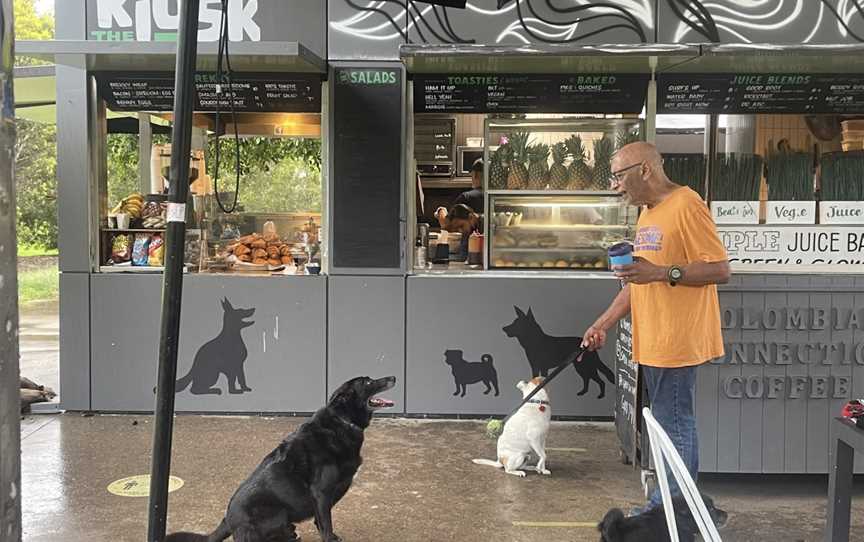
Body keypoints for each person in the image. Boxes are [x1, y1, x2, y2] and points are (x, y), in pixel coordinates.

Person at [581, 142, 731, 517]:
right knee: (668, 425)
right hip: (654, 340)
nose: (616, 186)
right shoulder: (647, 215)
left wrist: (663, 272)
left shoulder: (687, 204)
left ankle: (672, 511)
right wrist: (602, 324)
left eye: (618, 176)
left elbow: (719, 269)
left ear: (644, 169)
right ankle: (674, 504)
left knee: (675, 424)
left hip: (678, 340)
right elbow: (638, 281)